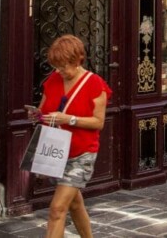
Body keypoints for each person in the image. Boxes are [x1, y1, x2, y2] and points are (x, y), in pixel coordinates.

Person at [37, 34, 112, 238]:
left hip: (81, 154)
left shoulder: (95, 84)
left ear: (77, 60)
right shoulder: (53, 80)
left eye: (63, 66)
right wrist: (37, 115)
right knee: (75, 204)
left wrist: (69, 119)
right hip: (56, 153)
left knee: (57, 209)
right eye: (56, 66)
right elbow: (44, 110)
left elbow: (98, 122)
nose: (59, 71)